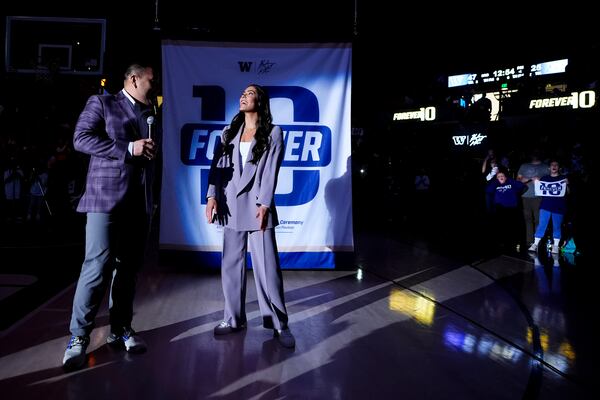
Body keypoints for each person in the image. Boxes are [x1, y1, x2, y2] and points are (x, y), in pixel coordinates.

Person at [62, 63, 160, 369]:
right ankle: (79, 337)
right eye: (150, 81)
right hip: (104, 199)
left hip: (139, 202)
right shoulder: (103, 103)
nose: (154, 87)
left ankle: (120, 329)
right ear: (133, 78)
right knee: (97, 265)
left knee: (128, 269)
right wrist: (129, 148)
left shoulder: (151, 114)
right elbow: (81, 139)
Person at [205, 84, 295, 348]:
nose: (243, 95)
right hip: (230, 204)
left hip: (258, 207)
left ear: (261, 101)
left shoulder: (273, 133)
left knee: (268, 269)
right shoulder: (228, 132)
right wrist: (212, 196)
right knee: (230, 266)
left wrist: (265, 203)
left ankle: (279, 324)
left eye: (250, 93)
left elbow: (271, 172)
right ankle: (233, 319)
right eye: (242, 93)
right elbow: (217, 169)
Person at [528, 160, 568, 254]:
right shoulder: (544, 178)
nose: (554, 166)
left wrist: (568, 184)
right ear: (549, 168)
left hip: (559, 206)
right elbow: (539, 190)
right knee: (542, 225)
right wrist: (536, 183)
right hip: (545, 206)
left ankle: (556, 246)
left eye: (556, 165)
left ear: (559, 168)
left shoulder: (563, 178)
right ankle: (535, 244)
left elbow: (568, 192)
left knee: (557, 226)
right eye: (552, 165)